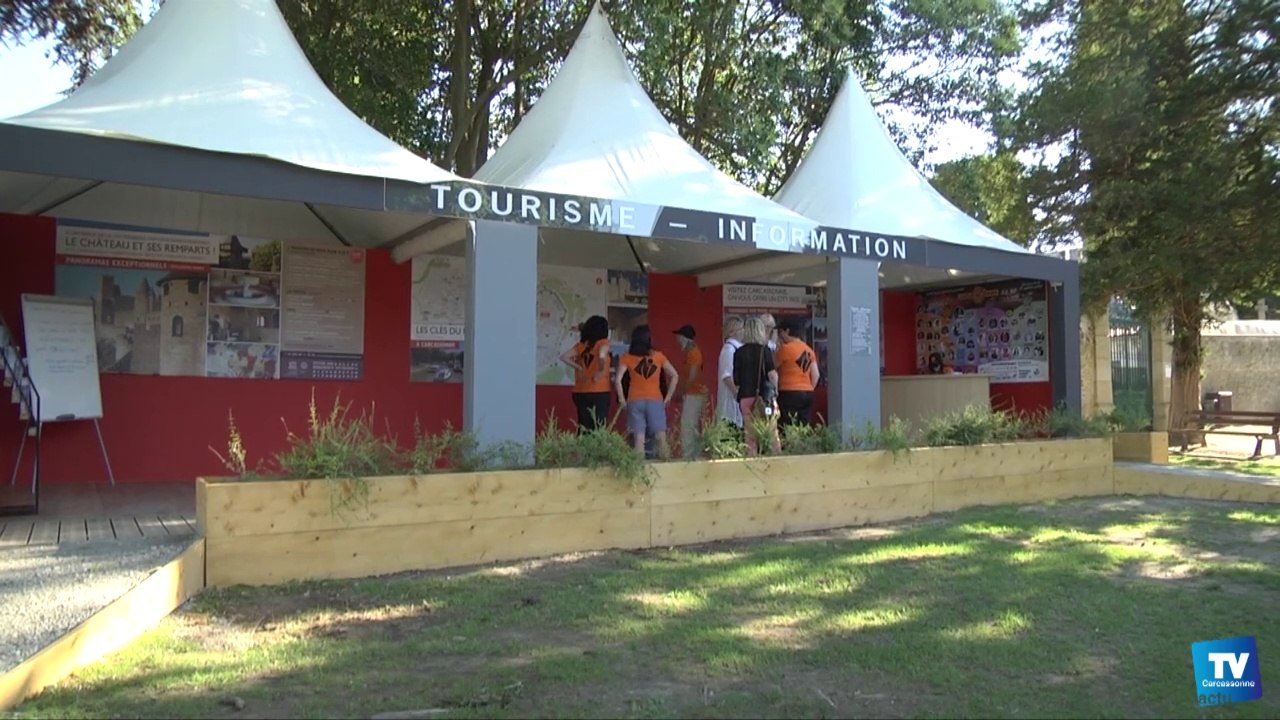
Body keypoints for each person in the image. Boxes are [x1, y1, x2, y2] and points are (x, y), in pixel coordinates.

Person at [614, 325, 678, 459]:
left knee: (639, 439)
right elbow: (674, 375)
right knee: (661, 437)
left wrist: (621, 399)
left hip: (634, 400)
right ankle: (667, 466)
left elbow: (618, 380)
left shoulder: (626, 357)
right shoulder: (659, 356)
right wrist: (668, 397)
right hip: (655, 399)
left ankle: (639, 471)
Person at [732, 316, 782, 456]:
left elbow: (736, 381)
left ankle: (752, 461)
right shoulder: (764, 351)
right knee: (772, 432)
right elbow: (772, 375)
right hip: (764, 398)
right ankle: (776, 461)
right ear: (760, 331)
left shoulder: (738, 352)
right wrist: (776, 392)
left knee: (750, 435)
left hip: (745, 398)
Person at [561, 316, 612, 431]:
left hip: (580, 391)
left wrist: (579, 367)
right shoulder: (602, 343)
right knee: (599, 426)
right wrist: (600, 371)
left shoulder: (581, 346)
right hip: (599, 391)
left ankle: (582, 447)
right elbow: (602, 355)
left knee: (583, 425)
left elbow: (564, 357)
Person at [774, 316, 820, 427]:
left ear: (787, 331)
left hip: (788, 393)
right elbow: (816, 375)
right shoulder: (809, 350)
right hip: (807, 392)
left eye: (780, 331)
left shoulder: (784, 349)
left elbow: (772, 368)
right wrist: (808, 388)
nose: (779, 335)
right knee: (803, 426)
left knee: (787, 425)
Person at [672, 324, 707, 458]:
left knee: (687, 426)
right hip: (693, 393)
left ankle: (689, 455)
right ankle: (694, 454)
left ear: (684, 338)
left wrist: (683, 392)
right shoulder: (691, 352)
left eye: (679, 337)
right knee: (692, 426)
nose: (677, 340)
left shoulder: (693, 353)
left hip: (694, 394)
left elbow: (692, 376)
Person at [716, 316, 745, 428]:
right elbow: (726, 375)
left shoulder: (737, 348)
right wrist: (736, 394)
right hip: (730, 403)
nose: (743, 332)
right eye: (741, 329)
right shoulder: (729, 349)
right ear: (733, 332)